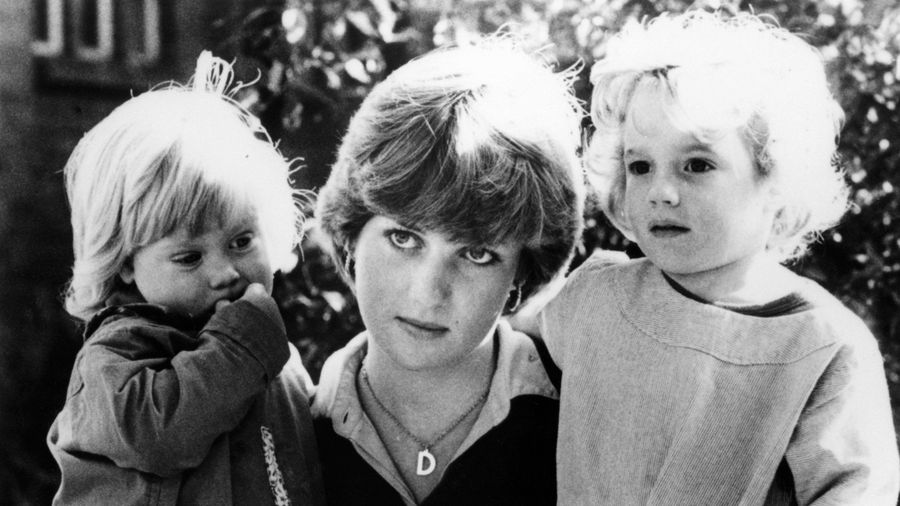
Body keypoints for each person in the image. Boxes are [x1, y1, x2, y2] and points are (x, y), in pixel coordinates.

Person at [536, 10, 900, 504]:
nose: (661, 191)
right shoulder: (596, 295)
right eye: (640, 166)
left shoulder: (823, 346)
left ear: (775, 180)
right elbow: (504, 361)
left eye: (697, 165)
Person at [311, 40, 585, 505]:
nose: (428, 293)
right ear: (352, 233)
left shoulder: (583, 421)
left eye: (476, 254)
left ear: (522, 272)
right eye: (404, 239)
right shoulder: (282, 431)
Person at [47, 52, 324, 505]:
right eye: (190, 257)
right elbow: (157, 436)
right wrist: (240, 347)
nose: (226, 273)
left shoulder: (270, 354)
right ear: (126, 261)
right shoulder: (117, 356)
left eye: (242, 241)